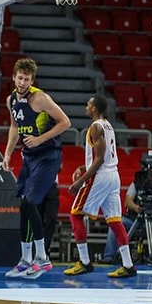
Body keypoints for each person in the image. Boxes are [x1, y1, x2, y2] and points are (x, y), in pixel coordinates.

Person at [1, 57, 70, 278]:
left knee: (31, 201)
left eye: (26, 79)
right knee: (24, 205)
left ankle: (42, 258)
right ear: (13, 77)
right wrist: (8, 154)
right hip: (29, 156)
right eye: (19, 78)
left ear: (32, 80)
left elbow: (65, 122)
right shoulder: (11, 99)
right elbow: (14, 126)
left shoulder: (40, 98)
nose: (22, 82)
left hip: (48, 156)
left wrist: (40, 140)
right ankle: (25, 259)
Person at [64, 95, 136, 278]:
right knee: (114, 221)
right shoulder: (108, 125)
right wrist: (83, 167)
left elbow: (100, 158)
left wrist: (81, 181)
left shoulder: (95, 127)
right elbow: (103, 156)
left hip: (101, 176)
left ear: (94, 108)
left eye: (88, 104)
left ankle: (85, 262)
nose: (86, 107)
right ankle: (128, 265)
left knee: (75, 214)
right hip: (113, 176)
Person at [100, 161, 152, 264]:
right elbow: (128, 201)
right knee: (117, 222)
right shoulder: (136, 184)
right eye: (150, 172)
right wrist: (136, 208)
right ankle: (109, 256)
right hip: (134, 220)